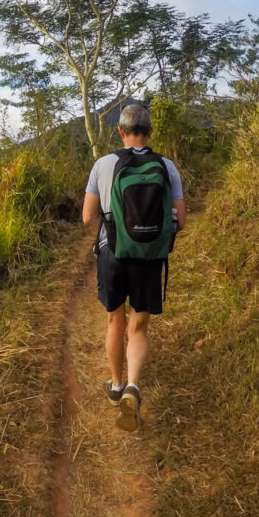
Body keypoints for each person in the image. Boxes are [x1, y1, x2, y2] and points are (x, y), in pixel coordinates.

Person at [81, 104, 186, 431]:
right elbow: (180, 220)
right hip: (149, 257)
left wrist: (111, 235)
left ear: (120, 131)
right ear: (150, 132)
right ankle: (133, 387)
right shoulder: (166, 167)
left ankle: (115, 385)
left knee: (115, 321)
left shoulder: (103, 164)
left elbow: (87, 217)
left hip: (113, 255)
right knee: (138, 328)